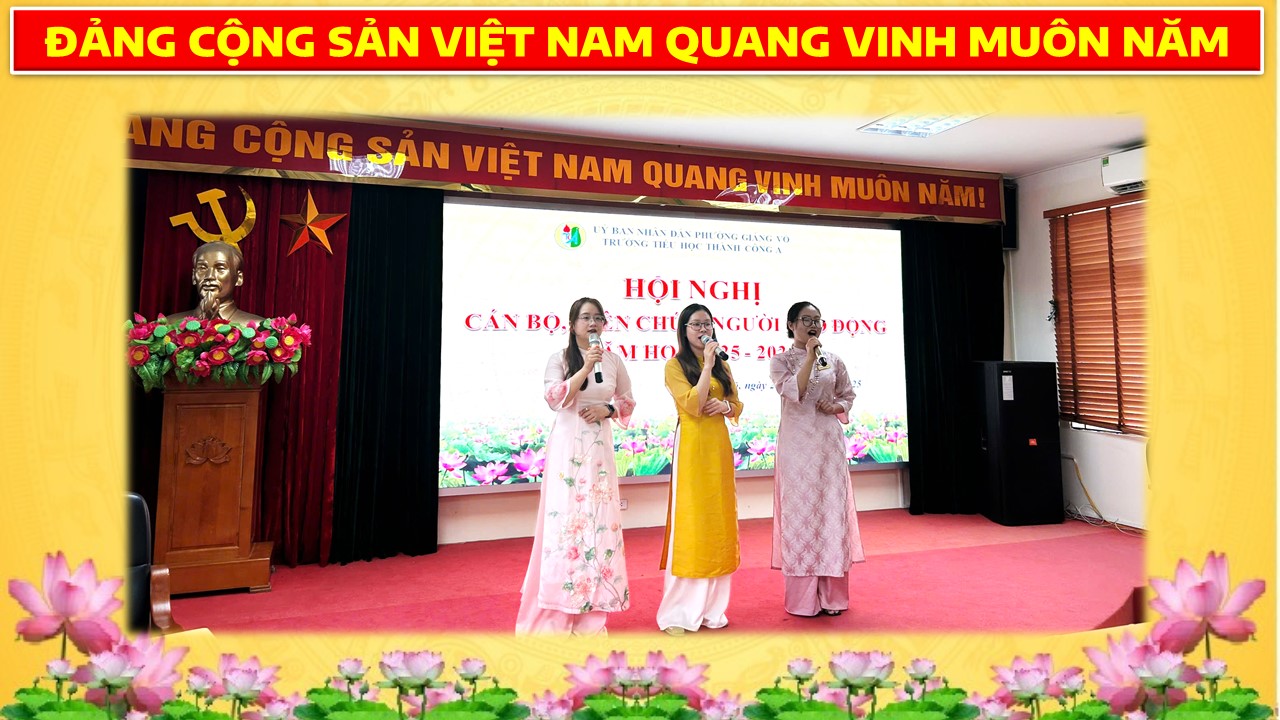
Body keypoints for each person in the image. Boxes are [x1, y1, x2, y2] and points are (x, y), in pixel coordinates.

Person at [516, 297, 635, 635]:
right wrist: (584, 367)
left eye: (598, 317)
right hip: (567, 449)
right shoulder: (560, 359)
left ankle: (591, 615)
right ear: (572, 325)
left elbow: (627, 401)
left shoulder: (613, 361)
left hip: (599, 449)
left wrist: (607, 410)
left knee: (598, 522)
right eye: (585, 318)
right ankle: (557, 610)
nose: (592, 323)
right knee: (566, 522)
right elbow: (554, 397)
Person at [768, 301, 865, 617]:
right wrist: (809, 356)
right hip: (797, 449)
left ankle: (833, 598)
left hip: (828, 446)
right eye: (806, 320)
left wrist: (836, 407)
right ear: (791, 324)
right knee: (800, 518)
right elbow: (793, 392)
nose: (813, 325)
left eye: (817, 320)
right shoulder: (780, 361)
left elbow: (847, 395)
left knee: (830, 515)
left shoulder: (833, 360)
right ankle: (804, 601)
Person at [656, 303, 743, 635]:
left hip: (717, 446)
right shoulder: (674, 366)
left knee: (718, 521)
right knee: (693, 524)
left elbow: (736, 403)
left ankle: (711, 611)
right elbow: (692, 404)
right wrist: (706, 365)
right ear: (684, 329)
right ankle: (678, 613)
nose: (703, 329)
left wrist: (726, 406)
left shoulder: (722, 363)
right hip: (692, 448)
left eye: (707, 323)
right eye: (696, 324)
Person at [168, 241, 264, 324]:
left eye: (220, 268)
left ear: (239, 278)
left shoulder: (258, 328)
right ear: (194, 276)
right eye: (202, 268)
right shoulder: (169, 325)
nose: (209, 276)